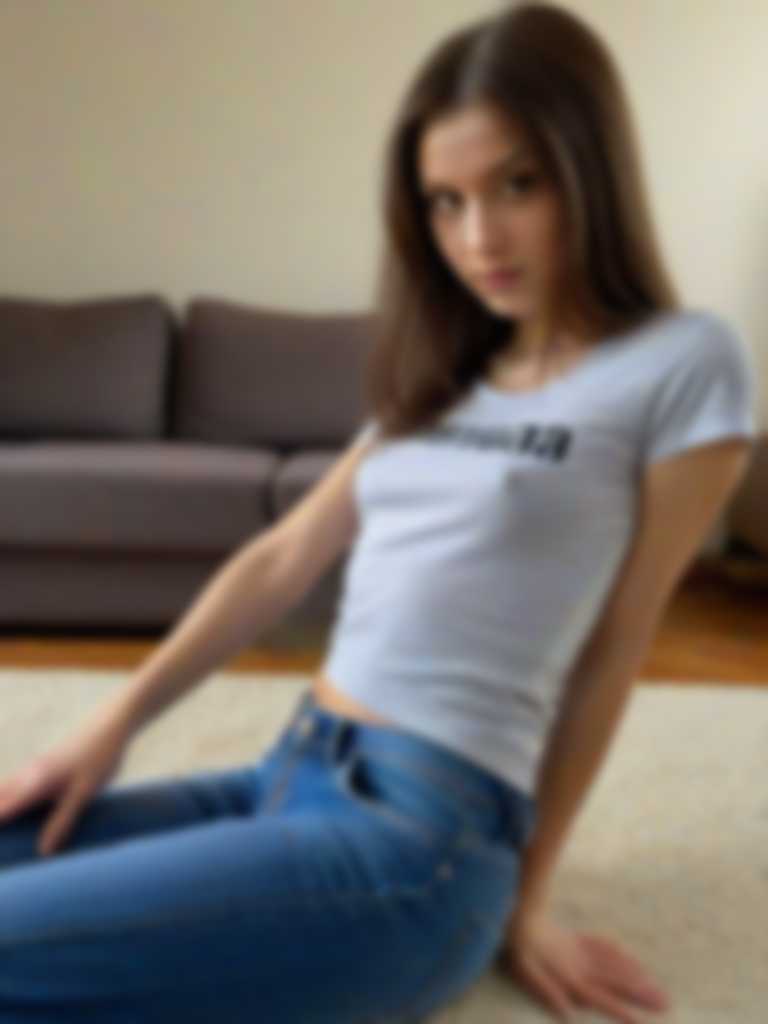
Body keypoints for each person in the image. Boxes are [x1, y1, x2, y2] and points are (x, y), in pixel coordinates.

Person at [0, 2, 757, 1022]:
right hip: (285, 772)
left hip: (416, 847)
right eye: (445, 202)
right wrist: (109, 726)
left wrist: (526, 902)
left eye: (518, 185)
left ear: (592, 169)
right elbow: (281, 557)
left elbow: (616, 646)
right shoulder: (449, 371)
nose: (478, 237)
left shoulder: (682, 361)